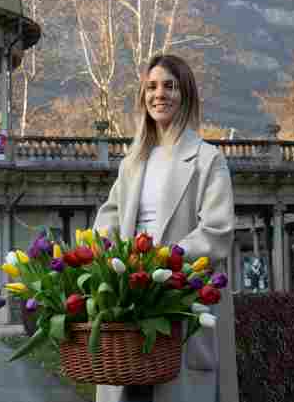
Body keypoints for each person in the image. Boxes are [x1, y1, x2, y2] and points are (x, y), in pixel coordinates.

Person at [93, 54, 237, 402]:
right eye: (152, 86)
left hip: (181, 294)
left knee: (177, 390)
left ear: (185, 94)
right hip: (132, 295)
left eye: (170, 86)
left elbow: (217, 232)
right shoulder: (132, 162)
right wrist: (103, 257)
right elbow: (108, 217)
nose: (160, 94)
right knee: (131, 389)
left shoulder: (207, 159)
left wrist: (164, 260)